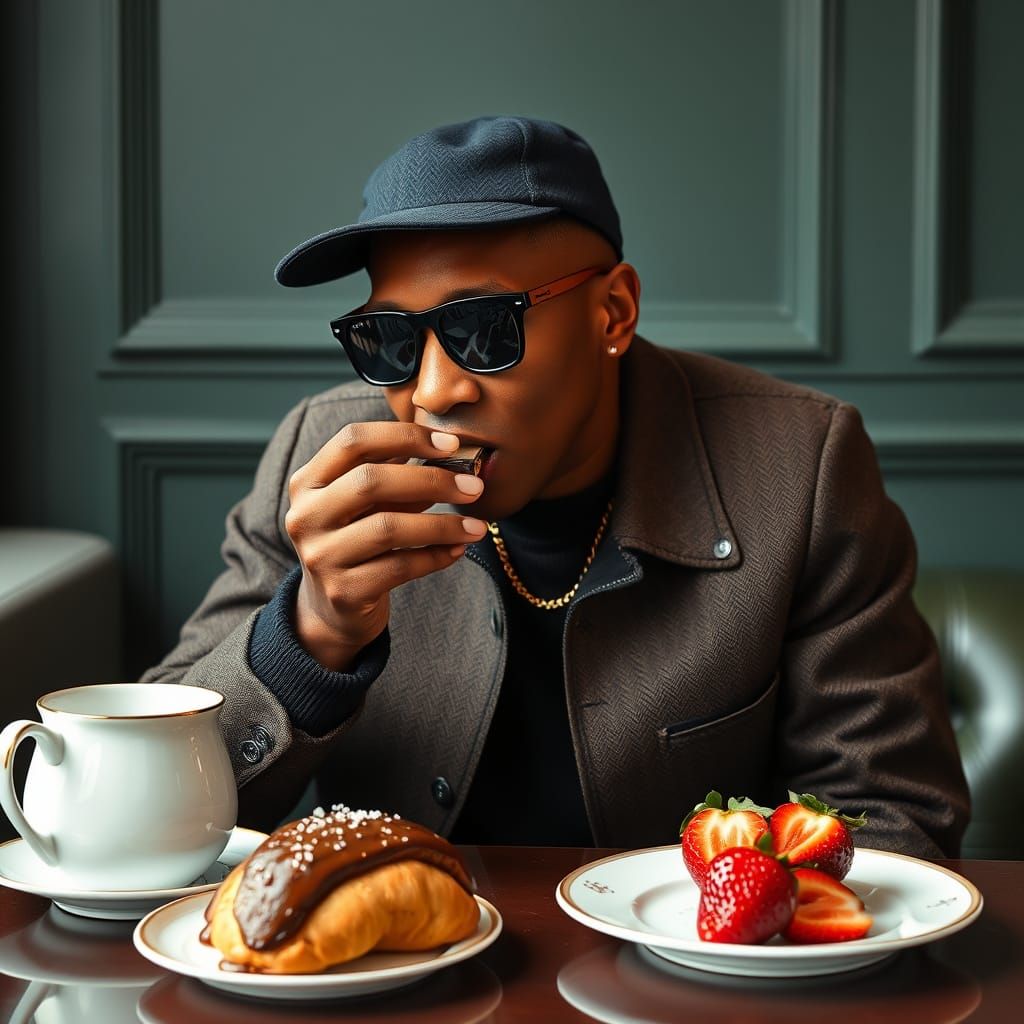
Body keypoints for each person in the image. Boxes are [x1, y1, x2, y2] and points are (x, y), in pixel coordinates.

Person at [142, 115, 969, 855]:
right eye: (388, 339)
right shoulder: (323, 462)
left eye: (480, 328)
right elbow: (146, 807)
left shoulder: (800, 466)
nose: (432, 389)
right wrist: (313, 633)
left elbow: (894, 820)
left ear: (613, 313)